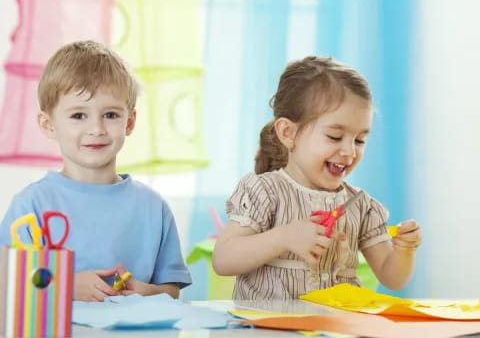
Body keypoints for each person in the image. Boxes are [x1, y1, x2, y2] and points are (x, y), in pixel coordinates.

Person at [212, 56, 422, 299]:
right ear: (288, 133)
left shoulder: (360, 206)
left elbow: (392, 278)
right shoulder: (265, 191)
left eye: (360, 140)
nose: (349, 151)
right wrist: (284, 237)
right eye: (334, 136)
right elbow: (223, 260)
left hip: (336, 328)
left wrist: (404, 251)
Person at [0, 40, 191, 301]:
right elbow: (7, 283)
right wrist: (63, 285)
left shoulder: (153, 207)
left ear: (130, 122)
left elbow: (171, 291)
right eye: (79, 116)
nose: (97, 129)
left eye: (110, 115)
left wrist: (147, 292)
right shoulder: (31, 205)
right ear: (48, 125)